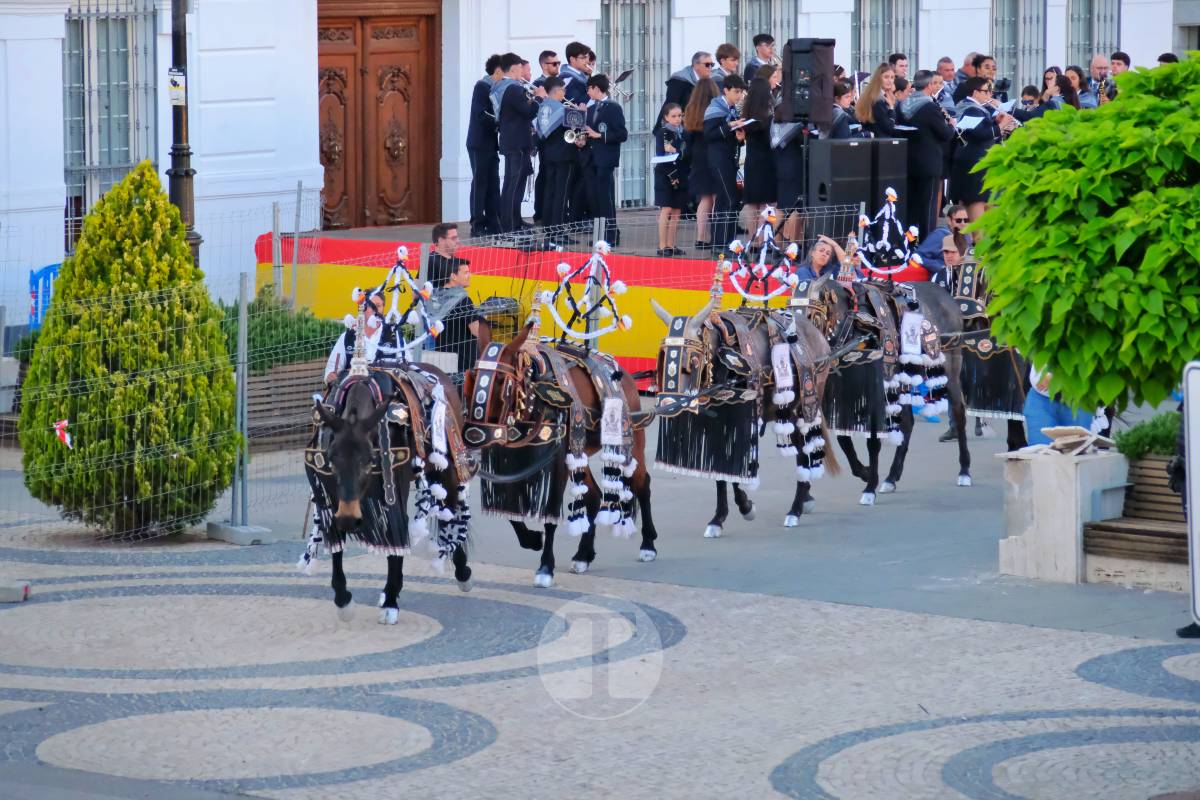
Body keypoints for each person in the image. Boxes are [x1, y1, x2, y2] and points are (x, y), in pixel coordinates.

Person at [899, 70, 955, 238]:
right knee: (928, 208)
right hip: (929, 163)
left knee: (911, 207)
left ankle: (909, 242)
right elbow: (945, 134)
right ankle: (926, 243)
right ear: (929, 85)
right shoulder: (929, 106)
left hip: (908, 161)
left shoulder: (902, 104)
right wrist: (951, 124)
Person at [494, 53, 545, 234]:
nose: (525, 71)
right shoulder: (513, 88)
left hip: (512, 141)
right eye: (524, 68)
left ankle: (514, 221)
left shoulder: (503, 86)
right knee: (513, 184)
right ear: (515, 68)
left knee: (513, 183)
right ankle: (509, 226)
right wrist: (538, 97)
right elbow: (527, 111)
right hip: (517, 143)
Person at [580, 74, 627, 246]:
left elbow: (622, 134)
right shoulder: (591, 109)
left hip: (605, 159)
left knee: (605, 198)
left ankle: (611, 235)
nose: (587, 92)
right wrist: (582, 140)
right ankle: (598, 236)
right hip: (590, 158)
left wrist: (599, 135)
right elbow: (588, 134)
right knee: (593, 198)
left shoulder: (613, 107)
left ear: (596, 89)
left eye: (589, 88)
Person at [950, 77, 1004, 224]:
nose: (990, 95)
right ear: (975, 92)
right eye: (986, 91)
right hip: (974, 165)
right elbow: (979, 134)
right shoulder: (972, 109)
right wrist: (1001, 127)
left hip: (970, 163)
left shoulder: (970, 107)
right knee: (976, 208)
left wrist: (995, 122)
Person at [704, 73, 749, 248]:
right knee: (727, 199)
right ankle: (721, 243)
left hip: (729, 158)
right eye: (736, 92)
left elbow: (730, 137)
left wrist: (739, 137)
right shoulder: (715, 108)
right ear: (726, 90)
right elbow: (708, 134)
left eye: (741, 92)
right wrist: (729, 126)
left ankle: (726, 242)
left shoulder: (732, 110)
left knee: (729, 200)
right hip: (718, 159)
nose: (739, 96)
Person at [428, 246, 480, 381]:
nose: (470, 275)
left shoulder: (434, 297)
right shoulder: (463, 300)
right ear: (453, 276)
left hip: (441, 360)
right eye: (466, 272)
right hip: (464, 363)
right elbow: (476, 331)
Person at [536, 77, 577, 243]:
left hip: (547, 155)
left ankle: (548, 230)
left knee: (550, 192)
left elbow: (541, 132)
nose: (565, 92)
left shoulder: (542, 106)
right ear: (557, 90)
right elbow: (575, 127)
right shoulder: (562, 109)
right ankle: (558, 231)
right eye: (563, 90)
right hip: (564, 156)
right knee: (561, 194)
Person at [466, 54, 503, 237]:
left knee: (493, 182)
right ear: (497, 71)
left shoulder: (496, 88)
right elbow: (481, 114)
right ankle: (477, 224)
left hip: (491, 143)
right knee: (480, 182)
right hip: (479, 142)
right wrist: (500, 121)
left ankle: (493, 221)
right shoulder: (482, 86)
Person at [683, 77, 719, 249]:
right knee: (716, 197)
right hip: (713, 152)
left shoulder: (692, 109)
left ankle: (701, 237)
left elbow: (687, 136)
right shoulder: (715, 108)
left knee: (704, 198)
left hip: (698, 155)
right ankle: (715, 235)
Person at [740, 68, 778, 230]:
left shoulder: (747, 113)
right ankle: (764, 240)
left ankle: (752, 240)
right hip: (768, 161)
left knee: (751, 203)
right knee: (767, 203)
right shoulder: (769, 117)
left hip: (752, 160)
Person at [1022, 366, 1095, 445]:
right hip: (1040, 398)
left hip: (1078, 399)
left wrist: (1058, 377)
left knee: (1076, 450)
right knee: (1039, 452)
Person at [325, 292, 384, 385]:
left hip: (385, 392)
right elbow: (333, 367)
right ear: (363, 309)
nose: (374, 310)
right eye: (370, 306)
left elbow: (407, 370)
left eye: (378, 306)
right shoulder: (347, 337)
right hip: (351, 389)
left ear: (383, 308)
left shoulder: (393, 336)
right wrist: (331, 374)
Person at [654, 103, 688, 256]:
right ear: (666, 117)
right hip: (665, 174)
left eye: (680, 116)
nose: (677, 119)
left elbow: (687, 152)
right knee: (666, 208)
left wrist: (677, 151)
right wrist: (677, 152)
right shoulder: (663, 132)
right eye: (673, 116)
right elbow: (661, 154)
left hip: (681, 173)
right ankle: (662, 246)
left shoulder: (684, 133)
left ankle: (672, 244)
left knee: (676, 210)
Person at [531, 50, 560, 225]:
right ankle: (540, 213)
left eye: (558, 63)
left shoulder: (558, 83)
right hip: (545, 137)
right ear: (544, 65)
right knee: (545, 175)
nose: (557, 66)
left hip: (559, 139)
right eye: (553, 64)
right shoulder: (537, 85)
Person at [660, 51, 713, 129]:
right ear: (696, 65)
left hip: (695, 128)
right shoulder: (679, 80)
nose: (710, 68)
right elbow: (671, 107)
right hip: (675, 130)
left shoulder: (708, 82)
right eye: (707, 65)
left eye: (712, 65)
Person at [855, 63, 897, 137]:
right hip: (879, 141)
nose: (890, 80)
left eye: (892, 77)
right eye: (886, 77)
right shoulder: (877, 100)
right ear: (878, 78)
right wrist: (891, 108)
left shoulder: (872, 94)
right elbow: (889, 128)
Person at [560, 42, 592, 107]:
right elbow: (576, 103)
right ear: (572, 59)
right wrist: (596, 88)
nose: (587, 61)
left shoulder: (580, 74)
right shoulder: (567, 77)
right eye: (583, 58)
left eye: (587, 57)